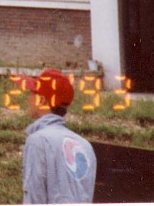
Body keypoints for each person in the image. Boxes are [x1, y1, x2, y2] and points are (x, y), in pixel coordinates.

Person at [19, 68, 96, 204]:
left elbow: (34, 198)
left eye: (32, 93)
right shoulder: (85, 145)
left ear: (41, 101)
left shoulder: (37, 141)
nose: (28, 98)